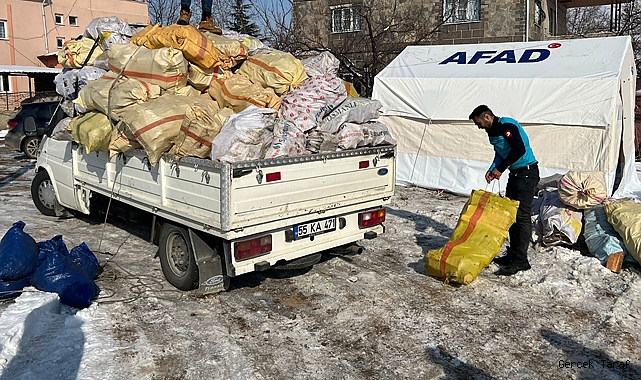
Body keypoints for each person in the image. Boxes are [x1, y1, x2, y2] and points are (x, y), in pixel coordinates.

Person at [469, 105, 539, 276]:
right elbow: (500, 153)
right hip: (516, 174)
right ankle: (513, 254)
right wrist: (493, 168)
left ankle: (521, 260)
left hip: (527, 173)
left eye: (479, 123)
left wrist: (500, 168)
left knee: (522, 216)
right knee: (511, 215)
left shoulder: (507, 125)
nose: (479, 127)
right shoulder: (492, 132)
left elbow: (518, 149)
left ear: (487, 116)